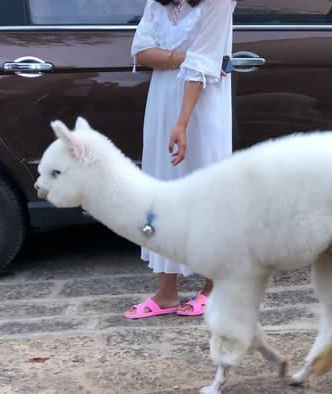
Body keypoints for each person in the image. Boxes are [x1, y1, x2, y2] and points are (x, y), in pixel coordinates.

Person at [124, 0, 235, 319]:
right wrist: (187, 57)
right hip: (162, 104)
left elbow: (204, 65)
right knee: (162, 192)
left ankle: (215, 288)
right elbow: (141, 50)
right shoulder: (157, 3)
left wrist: (183, 122)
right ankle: (166, 293)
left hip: (201, 109)